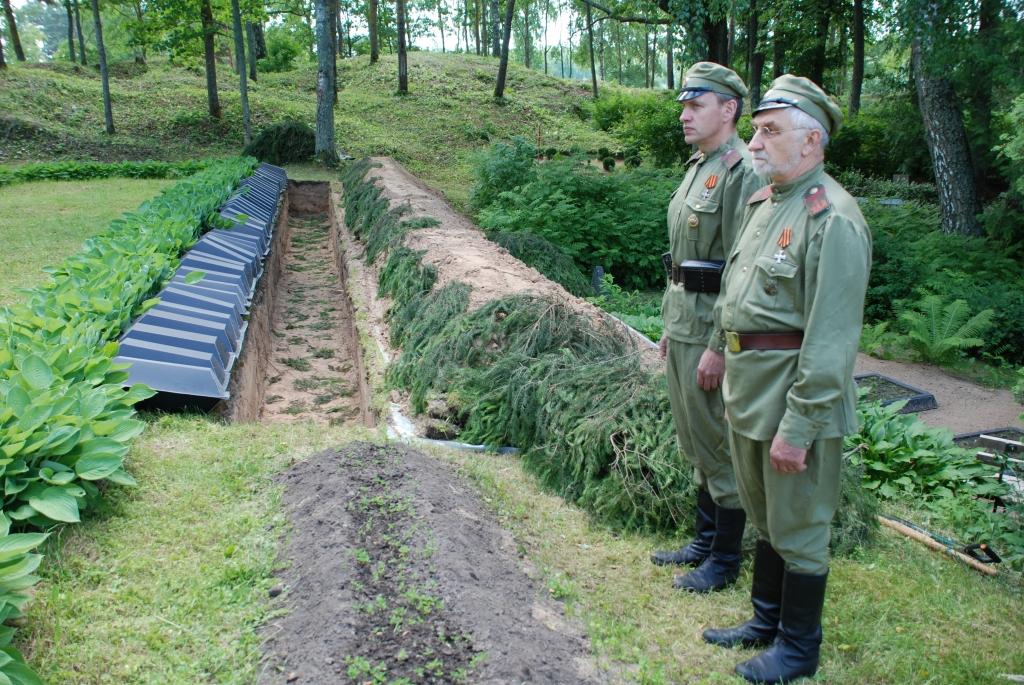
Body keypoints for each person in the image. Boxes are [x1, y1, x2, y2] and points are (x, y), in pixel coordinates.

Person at [702, 75, 871, 684]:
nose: (755, 142)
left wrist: (799, 428)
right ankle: (765, 622)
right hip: (750, 387)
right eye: (756, 129)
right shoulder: (766, 203)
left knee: (798, 526)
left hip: (793, 394)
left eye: (770, 131)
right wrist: (721, 352)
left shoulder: (835, 220)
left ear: (812, 143)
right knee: (766, 515)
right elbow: (736, 297)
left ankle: (798, 650)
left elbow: (831, 342)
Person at [650, 62, 764, 593]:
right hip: (685, 318)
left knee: (718, 438)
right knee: (695, 437)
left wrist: (720, 345)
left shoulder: (744, 172)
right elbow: (684, 258)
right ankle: (703, 539)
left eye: (696, 106)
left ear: (729, 109)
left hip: (713, 327)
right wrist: (672, 326)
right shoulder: (699, 166)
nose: (685, 115)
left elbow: (743, 267)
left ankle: (724, 559)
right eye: (684, 106)